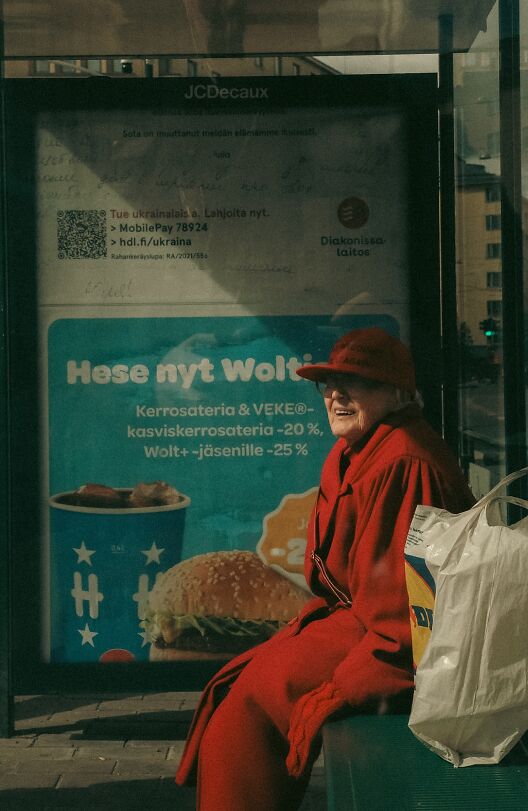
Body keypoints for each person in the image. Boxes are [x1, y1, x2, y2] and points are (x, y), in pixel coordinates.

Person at [175, 327, 475, 810]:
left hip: (384, 641)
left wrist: (346, 689)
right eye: (329, 383)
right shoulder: (357, 449)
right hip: (353, 618)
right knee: (236, 690)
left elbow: (405, 617)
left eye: (356, 383)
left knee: (248, 712)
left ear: (398, 394)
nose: (336, 395)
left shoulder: (403, 460)